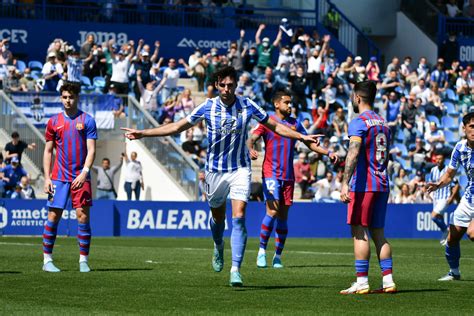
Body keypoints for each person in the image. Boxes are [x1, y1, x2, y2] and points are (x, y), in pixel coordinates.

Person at [122, 66, 320, 287]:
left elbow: (275, 126)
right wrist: (143, 133)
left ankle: (235, 269)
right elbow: (178, 126)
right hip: (215, 171)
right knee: (217, 217)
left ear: (236, 85)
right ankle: (218, 245)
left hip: (240, 169)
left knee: (239, 215)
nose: (226, 89)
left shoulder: (247, 105)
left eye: (231, 85)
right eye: (223, 85)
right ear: (217, 85)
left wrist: (302, 137)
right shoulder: (207, 107)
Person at [248, 91, 336, 269]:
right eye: (287, 102)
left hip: (288, 176)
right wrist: (250, 148)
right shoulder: (268, 122)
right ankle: (262, 252)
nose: (290, 105)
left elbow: (309, 142)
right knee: (272, 212)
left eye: (291, 102)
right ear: (276, 104)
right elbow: (253, 137)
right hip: (271, 172)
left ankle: (277, 256)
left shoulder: (295, 124)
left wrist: (328, 152)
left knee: (283, 217)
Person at [340, 81, 396, 294]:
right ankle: (388, 281)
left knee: (359, 231)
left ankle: (362, 282)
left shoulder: (359, 122)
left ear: (357, 97)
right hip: (382, 183)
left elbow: (353, 153)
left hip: (364, 186)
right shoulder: (382, 123)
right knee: (379, 233)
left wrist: (345, 182)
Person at [42, 82, 98, 273]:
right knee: (53, 216)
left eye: (71, 97)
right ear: (61, 98)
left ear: (77, 98)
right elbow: (48, 151)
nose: (67, 100)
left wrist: (85, 172)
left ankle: (83, 261)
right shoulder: (53, 122)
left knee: (82, 217)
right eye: (64, 97)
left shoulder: (87, 120)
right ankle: (47, 261)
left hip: (80, 177)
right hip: (58, 178)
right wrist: (47, 178)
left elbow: (92, 150)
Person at [427, 112, 474, 281]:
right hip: (469, 198)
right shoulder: (460, 148)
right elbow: (449, 174)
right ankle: (454, 272)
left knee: (473, 233)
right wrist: (438, 184)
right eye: (472, 127)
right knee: (452, 238)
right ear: (464, 128)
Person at [429, 153, 460, 245]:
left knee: (433, 216)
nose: (438, 160)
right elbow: (432, 182)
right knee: (439, 217)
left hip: (445, 197)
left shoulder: (448, 170)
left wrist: (451, 197)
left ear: (444, 160)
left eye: (440, 159)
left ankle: (446, 231)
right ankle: (446, 238)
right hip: (436, 197)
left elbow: (456, 185)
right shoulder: (433, 170)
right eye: (437, 159)